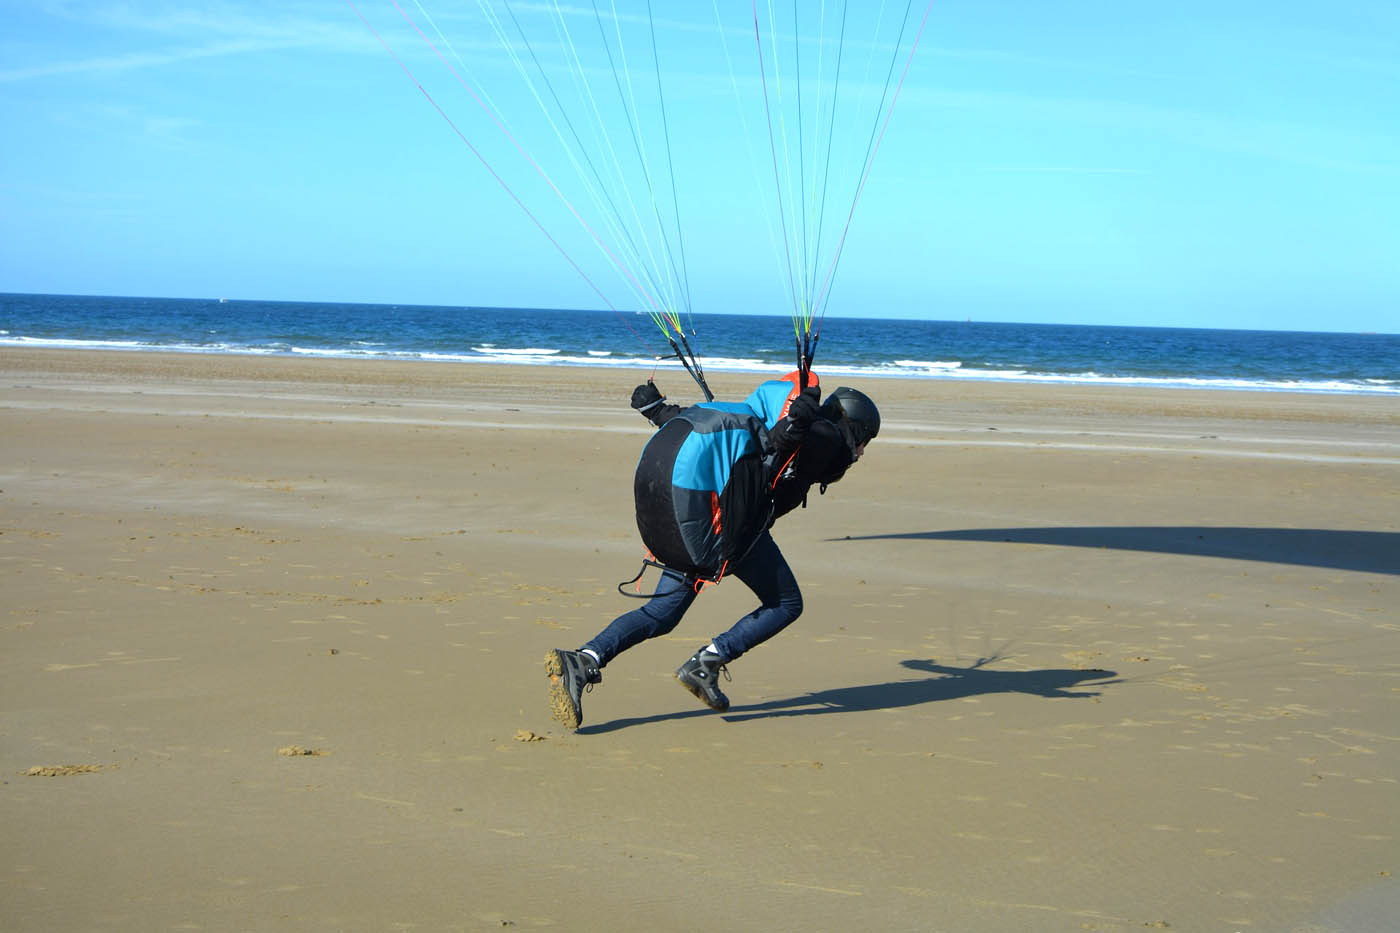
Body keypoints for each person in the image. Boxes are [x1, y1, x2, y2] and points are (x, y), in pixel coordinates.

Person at [544, 376, 880, 730]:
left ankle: (584, 659)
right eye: (864, 442)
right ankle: (708, 662)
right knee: (785, 603)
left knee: (663, 612)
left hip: (693, 513)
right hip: (725, 524)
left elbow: (698, 420)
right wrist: (802, 420)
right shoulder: (824, 439)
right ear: (852, 429)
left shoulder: (755, 421)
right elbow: (801, 443)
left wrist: (655, 409)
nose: (861, 453)